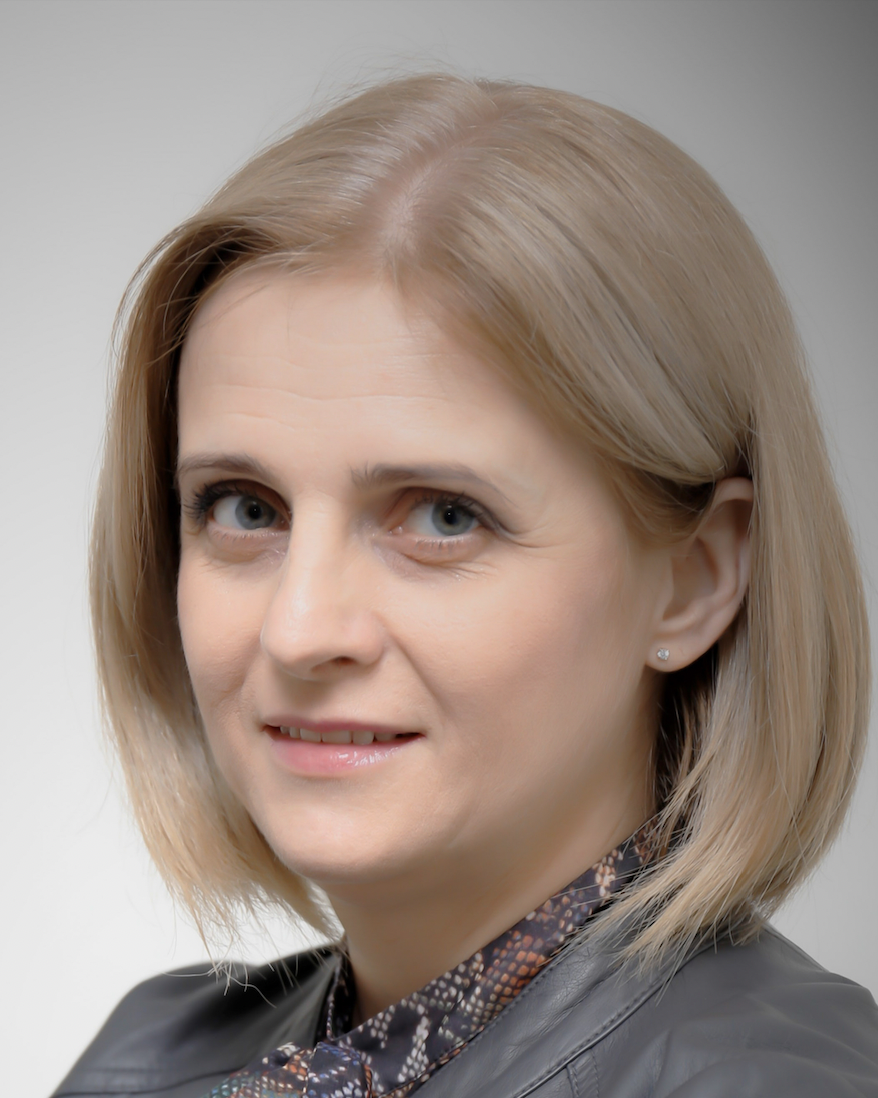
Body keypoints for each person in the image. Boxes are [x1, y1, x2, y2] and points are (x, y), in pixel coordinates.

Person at [56, 73, 877, 1098]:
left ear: (694, 581)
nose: (299, 631)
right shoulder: (151, 1056)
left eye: (443, 517)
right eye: (245, 509)